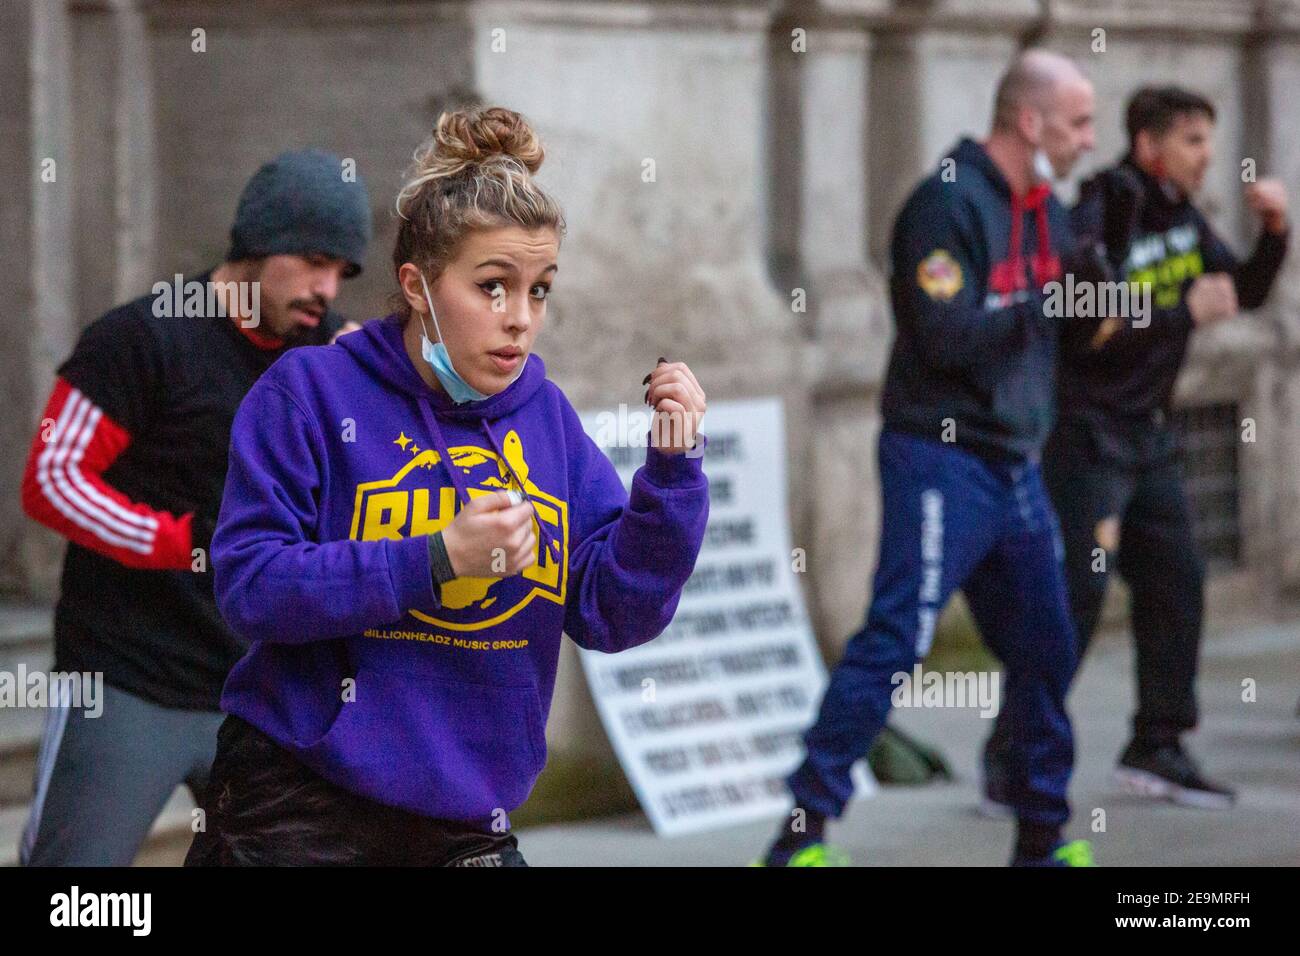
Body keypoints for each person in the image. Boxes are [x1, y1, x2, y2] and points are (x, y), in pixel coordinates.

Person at [183, 106, 710, 867]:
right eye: (493, 287)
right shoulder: (312, 391)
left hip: (466, 818)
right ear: (419, 286)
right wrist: (433, 558)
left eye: (541, 290)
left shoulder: (548, 421)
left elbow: (612, 613)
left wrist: (673, 471)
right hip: (299, 804)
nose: (521, 319)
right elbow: (251, 583)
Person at [758, 49, 1096, 867]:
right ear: (1030, 120)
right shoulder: (943, 206)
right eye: (1078, 121)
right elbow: (947, 340)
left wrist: (1106, 294)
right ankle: (800, 836)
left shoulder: (1047, 208)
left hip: (1017, 463)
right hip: (940, 457)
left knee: (1047, 646)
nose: (1090, 138)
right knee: (897, 639)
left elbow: (1063, 332)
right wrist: (1047, 301)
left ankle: (1040, 839)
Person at [18, 149, 371, 865]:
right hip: (129, 680)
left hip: (261, 688)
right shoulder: (140, 338)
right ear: (256, 243)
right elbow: (52, 478)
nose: (326, 287)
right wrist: (184, 540)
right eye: (310, 260)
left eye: (340, 271)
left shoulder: (331, 354)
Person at [983, 86, 1289, 812]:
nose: (1206, 157)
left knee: (1177, 580)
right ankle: (1012, 756)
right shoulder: (1105, 205)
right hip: (1085, 434)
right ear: (1150, 146)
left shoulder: (1186, 220)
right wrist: (1179, 309)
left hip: (1149, 435)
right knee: (1077, 594)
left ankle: (1158, 743)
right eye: (1191, 142)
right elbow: (1084, 312)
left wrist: (1274, 235)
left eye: (1208, 142)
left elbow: (1237, 292)